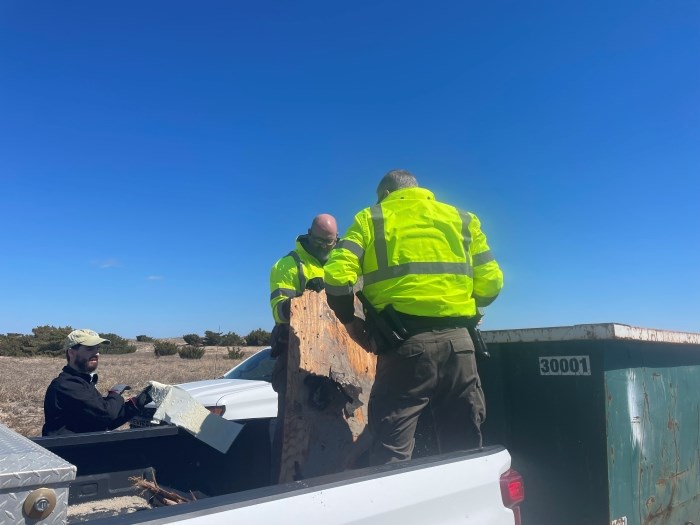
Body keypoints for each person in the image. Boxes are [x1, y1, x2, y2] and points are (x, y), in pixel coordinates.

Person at [324, 169, 504, 465]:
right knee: (465, 448)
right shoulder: (462, 218)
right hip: (461, 346)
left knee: (391, 453)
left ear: (384, 195)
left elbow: (336, 277)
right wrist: (472, 307)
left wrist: (349, 321)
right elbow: (493, 282)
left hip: (404, 347)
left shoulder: (371, 218)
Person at [268, 213, 338, 481]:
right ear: (309, 233)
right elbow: (279, 311)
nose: (323, 248)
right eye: (319, 242)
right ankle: (281, 485)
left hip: (337, 357)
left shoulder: (343, 260)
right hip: (297, 354)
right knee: (293, 426)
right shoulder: (289, 265)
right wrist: (309, 296)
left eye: (329, 243)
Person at [42, 328, 153, 436]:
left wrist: (135, 405)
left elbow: (104, 422)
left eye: (97, 349)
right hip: (64, 452)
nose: (97, 353)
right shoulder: (66, 385)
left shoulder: (83, 382)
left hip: (83, 447)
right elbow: (107, 413)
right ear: (71, 353)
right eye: (90, 349)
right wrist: (115, 395)